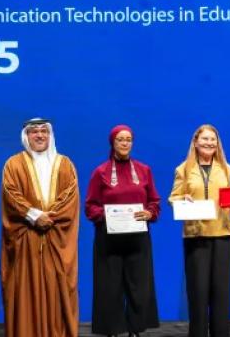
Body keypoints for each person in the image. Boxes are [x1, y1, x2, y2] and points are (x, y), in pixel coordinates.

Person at [0, 118, 80, 337]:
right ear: (26, 136)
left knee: (57, 290)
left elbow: (70, 196)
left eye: (44, 131)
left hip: (55, 238)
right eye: (34, 132)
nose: (39, 135)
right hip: (26, 239)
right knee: (26, 290)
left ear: (50, 135)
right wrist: (34, 216)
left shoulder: (65, 164)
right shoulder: (13, 164)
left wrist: (48, 217)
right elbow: (10, 194)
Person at [85, 124, 161, 337]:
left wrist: (149, 213)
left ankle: (135, 330)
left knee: (139, 286)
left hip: (138, 239)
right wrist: (107, 216)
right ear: (113, 142)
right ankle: (112, 330)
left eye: (128, 139)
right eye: (121, 139)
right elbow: (90, 206)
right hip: (109, 240)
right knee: (110, 287)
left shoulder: (144, 170)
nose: (125, 143)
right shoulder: (100, 172)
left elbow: (155, 201)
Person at [168, 124, 230, 337]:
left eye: (213, 139)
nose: (209, 143)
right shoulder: (184, 169)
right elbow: (173, 198)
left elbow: (229, 199)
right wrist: (183, 199)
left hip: (222, 234)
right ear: (196, 142)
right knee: (198, 293)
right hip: (196, 236)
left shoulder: (226, 168)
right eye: (205, 139)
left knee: (221, 293)